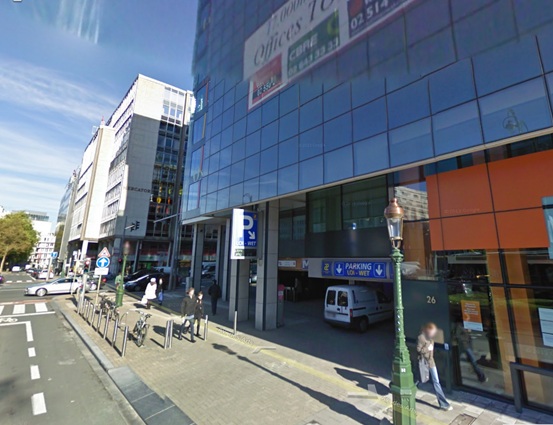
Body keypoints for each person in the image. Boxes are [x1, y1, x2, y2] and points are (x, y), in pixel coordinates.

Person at [417, 322, 452, 411]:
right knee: (419, 379)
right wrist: (427, 348)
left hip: (431, 362)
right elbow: (418, 350)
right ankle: (404, 388)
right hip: (424, 363)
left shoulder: (431, 339)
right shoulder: (421, 337)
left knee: (436, 382)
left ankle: (443, 404)